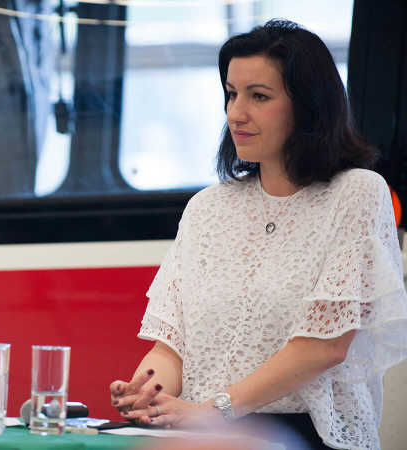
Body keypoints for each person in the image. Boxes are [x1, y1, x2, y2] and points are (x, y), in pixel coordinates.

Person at [109, 19, 407, 449]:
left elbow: (325, 348)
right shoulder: (207, 208)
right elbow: (172, 345)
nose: (235, 113)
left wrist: (215, 409)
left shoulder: (358, 193)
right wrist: (149, 393)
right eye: (231, 94)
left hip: (306, 435)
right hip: (207, 435)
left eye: (259, 97)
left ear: (308, 107)